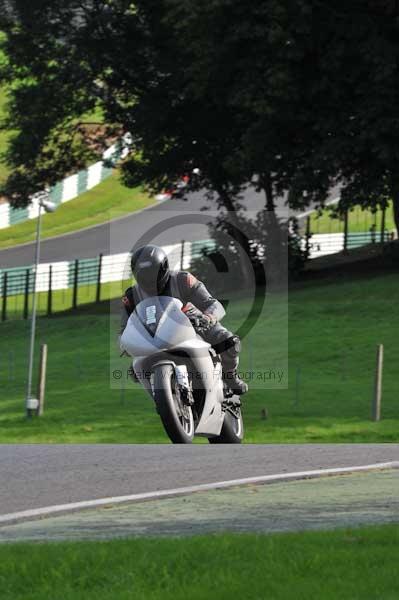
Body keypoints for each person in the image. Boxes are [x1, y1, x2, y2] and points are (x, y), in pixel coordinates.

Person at [120, 244, 248, 395]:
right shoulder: (130, 296)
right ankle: (163, 398)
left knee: (228, 342)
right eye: (144, 274)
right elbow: (125, 328)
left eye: (153, 273)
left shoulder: (183, 280)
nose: (149, 279)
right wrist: (125, 345)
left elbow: (214, 304)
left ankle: (230, 376)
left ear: (164, 267)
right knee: (135, 370)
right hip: (154, 339)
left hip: (197, 326)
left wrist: (207, 318)